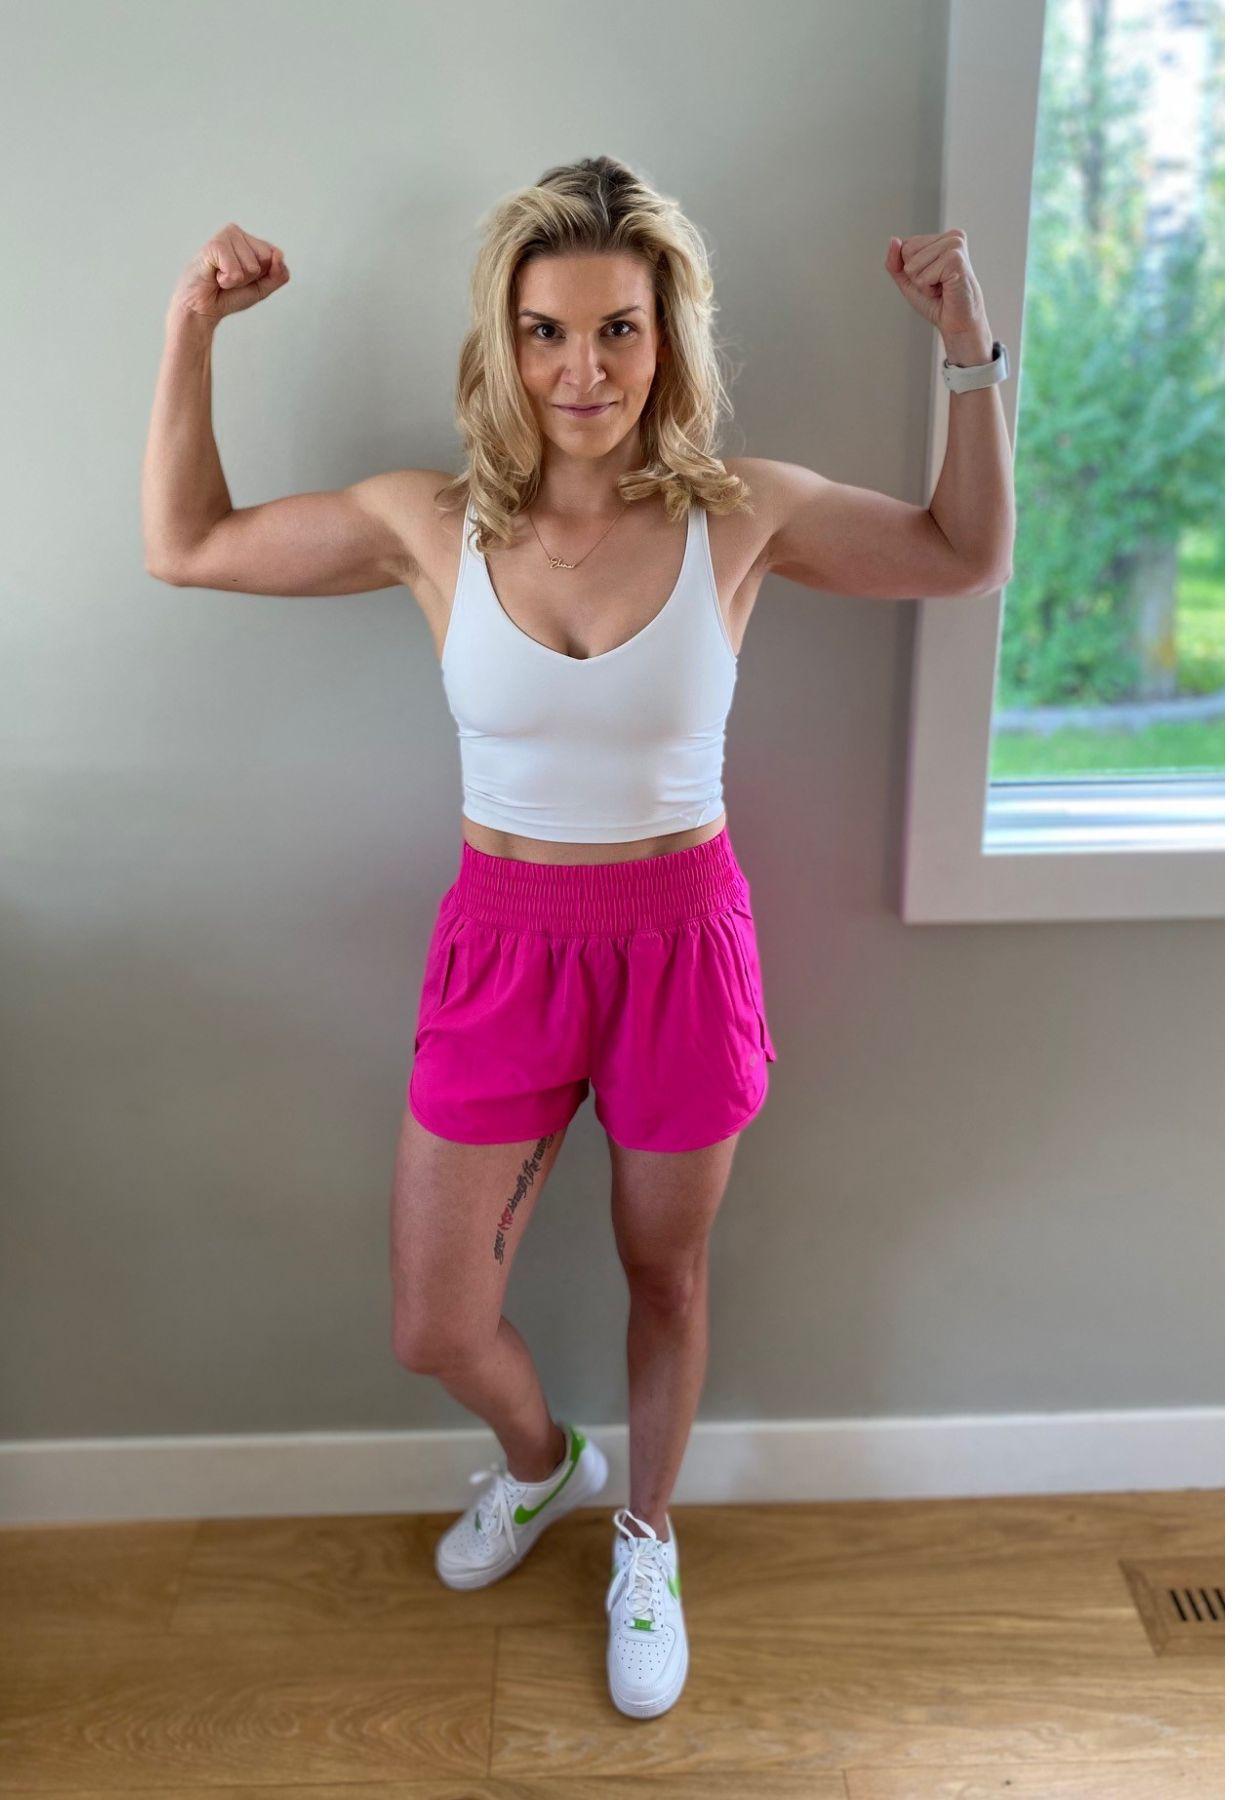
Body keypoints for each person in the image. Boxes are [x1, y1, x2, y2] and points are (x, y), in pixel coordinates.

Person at [141, 155, 1014, 1720]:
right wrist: (191, 325)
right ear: (505, 341)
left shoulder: (743, 513)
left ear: (667, 336)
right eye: (548, 332)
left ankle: (647, 1536)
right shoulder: (430, 521)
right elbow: (185, 542)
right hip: (505, 945)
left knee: (662, 1279)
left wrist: (966, 346)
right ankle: (545, 1468)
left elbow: (964, 554)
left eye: (618, 330)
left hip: (682, 941)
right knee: (435, 1320)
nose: (584, 370)